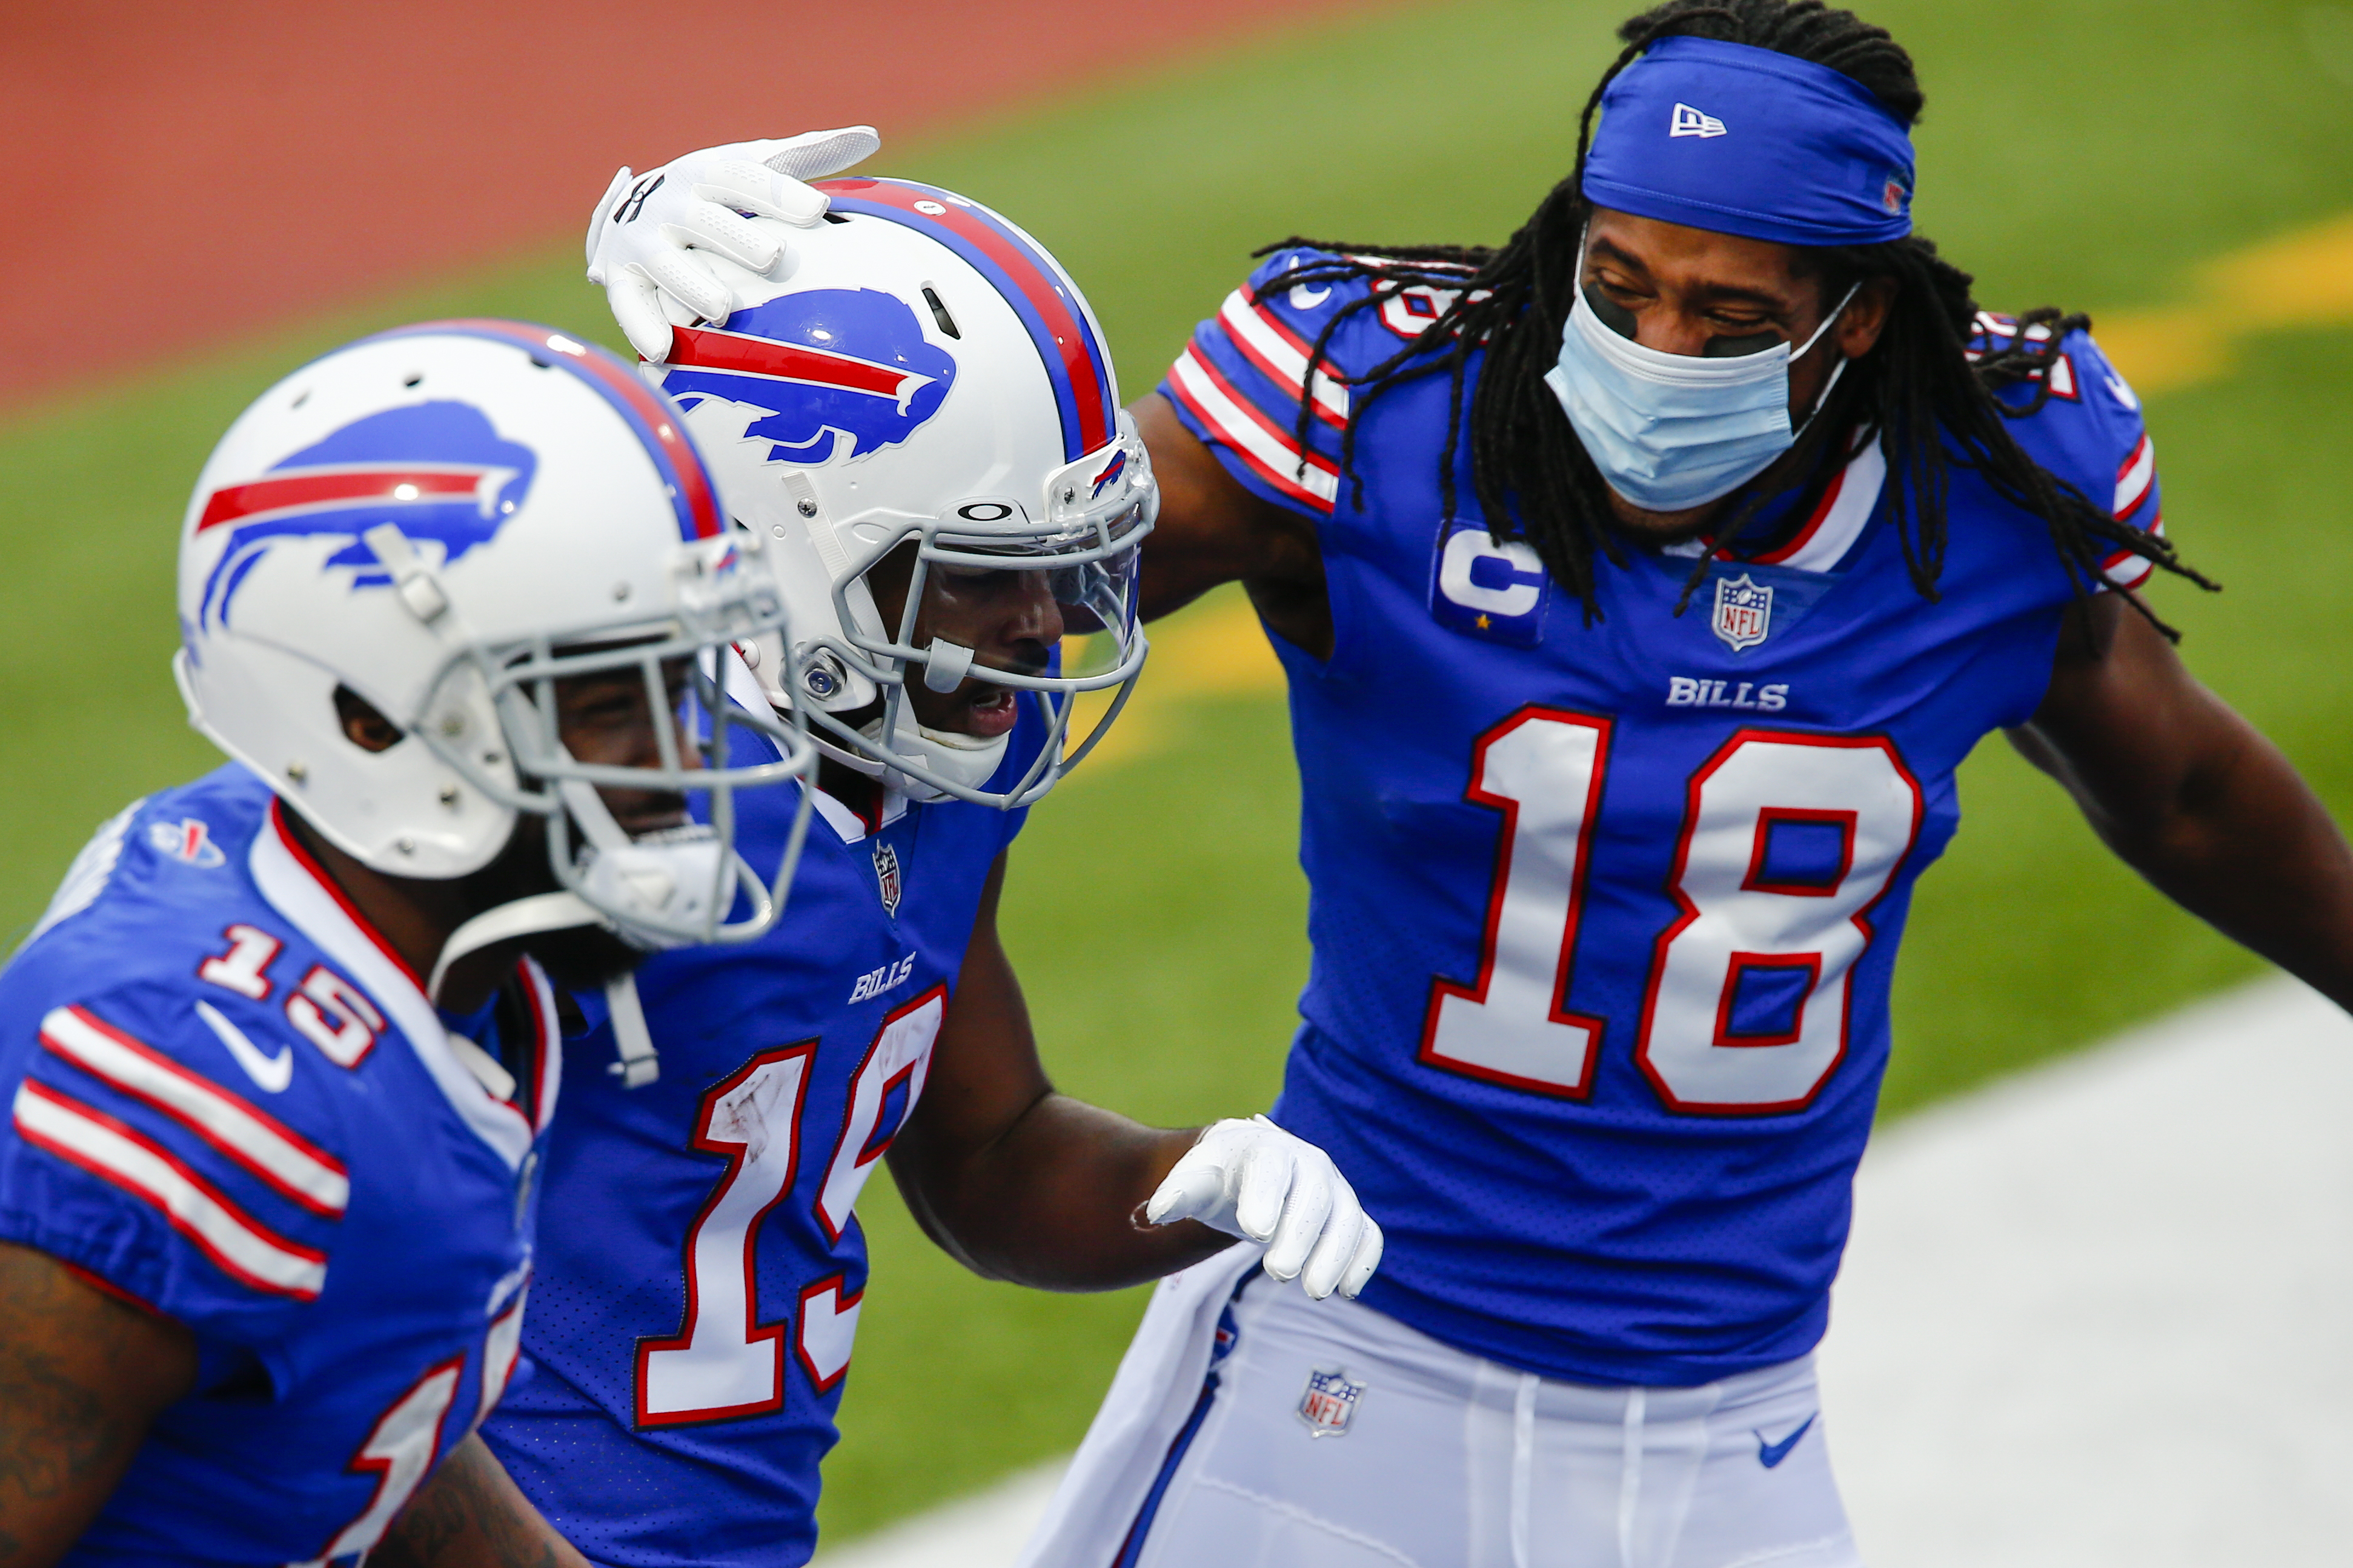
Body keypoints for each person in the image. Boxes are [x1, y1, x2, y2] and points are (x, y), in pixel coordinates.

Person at [596, 4, 2353, 1554]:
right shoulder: (1378, 404)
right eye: (1617, 281)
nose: (1656, 345)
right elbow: (952, 605)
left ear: (1861, 327)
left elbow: (2187, 794)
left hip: (1725, 1423)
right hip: (1337, 1359)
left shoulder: (1980, 489)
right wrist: (717, 370)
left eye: (1729, 313)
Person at [450, 148, 1387, 1568]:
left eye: (1059, 563)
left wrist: (1197, 1178)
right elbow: (322, 1270)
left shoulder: (933, 766)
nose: (1040, 625)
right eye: (981, 570)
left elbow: (989, 1153)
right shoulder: (592, 803)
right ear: (776, 540)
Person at [0, 319, 820, 1563]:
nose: (683, 762)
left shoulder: (437, 958)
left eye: (680, 686)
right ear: (369, 720)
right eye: (605, 704)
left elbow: (350, 1390)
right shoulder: (204, 1087)